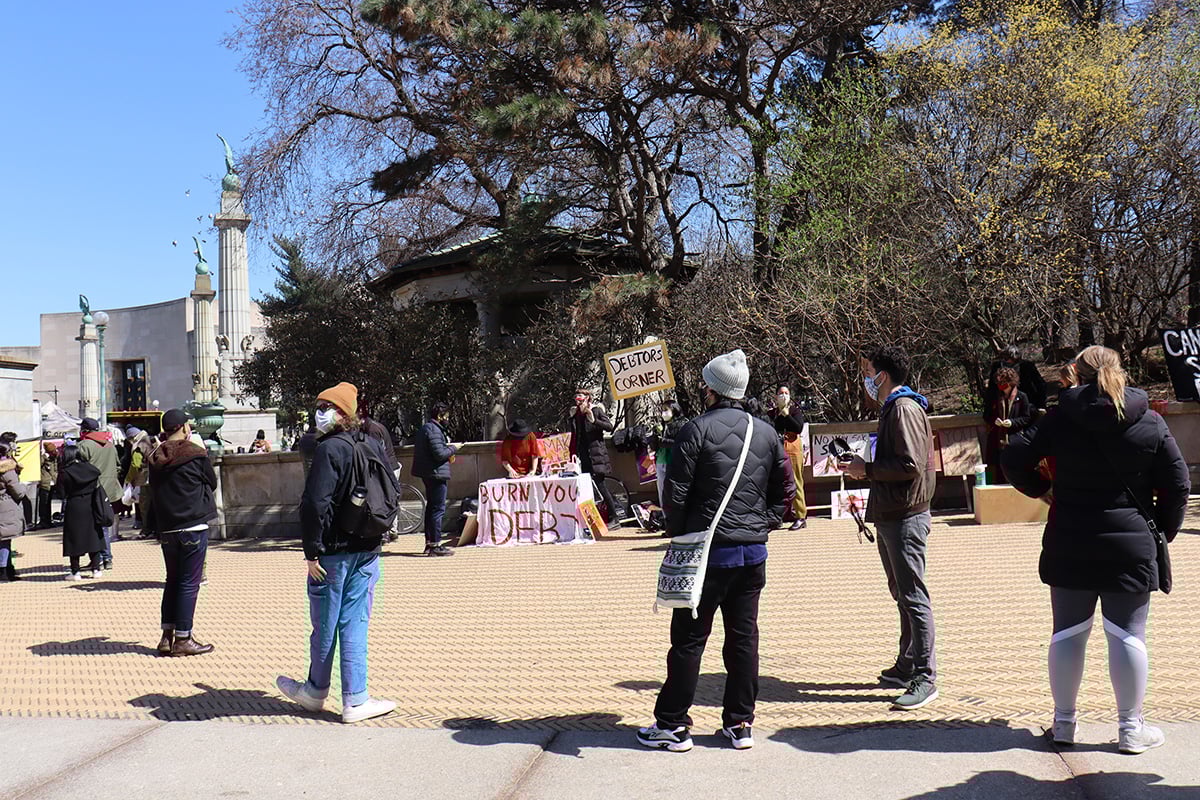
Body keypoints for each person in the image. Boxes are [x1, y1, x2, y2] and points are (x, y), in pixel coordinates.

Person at [1002, 346, 1189, 755]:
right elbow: (1178, 484)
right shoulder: (1150, 420)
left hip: (1070, 538)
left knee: (1068, 632)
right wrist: (1162, 530)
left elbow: (1013, 455)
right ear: (1120, 371)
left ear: (1078, 373)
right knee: (1127, 633)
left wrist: (1041, 488)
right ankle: (1130, 729)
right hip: (1130, 544)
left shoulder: (1059, 419)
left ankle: (1064, 723)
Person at [638, 349, 789, 753]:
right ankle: (740, 723)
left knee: (689, 641)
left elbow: (675, 496)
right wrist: (761, 525)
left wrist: (681, 536)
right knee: (744, 639)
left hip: (707, 555)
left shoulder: (695, 430)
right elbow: (785, 493)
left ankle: (672, 724)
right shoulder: (766, 432)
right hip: (751, 555)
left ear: (711, 390)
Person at [276, 380, 397, 723]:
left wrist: (311, 551)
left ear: (343, 413)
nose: (320, 412)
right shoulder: (371, 443)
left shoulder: (329, 449)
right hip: (367, 546)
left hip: (332, 550)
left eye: (327, 407)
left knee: (326, 624)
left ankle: (315, 690)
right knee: (355, 623)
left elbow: (315, 504)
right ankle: (356, 699)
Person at [839, 345, 938, 711]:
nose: (866, 379)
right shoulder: (895, 408)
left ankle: (925, 676)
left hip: (906, 516)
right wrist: (865, 469)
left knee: (913, 595)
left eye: (869, 372)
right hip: (893, 513)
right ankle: (907, 664)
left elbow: (909, 464)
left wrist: (866, 470)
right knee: (902, 593)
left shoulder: (903, 409)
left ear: (882, 375)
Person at [143, 409, 218, 656]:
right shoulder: (195, 454)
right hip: (193, 525)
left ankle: (167, 637)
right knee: (188, 583)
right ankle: (183, 638)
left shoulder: (155, 456)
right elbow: (212, 482)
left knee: (173, 580)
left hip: (167, 527)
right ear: (185, 427)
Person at [567, 388, 619, 525]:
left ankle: (614, 517)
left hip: (597, 455)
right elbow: (575, 435)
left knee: (601, 485)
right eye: (576, 397)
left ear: (587, 398)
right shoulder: (576, 414)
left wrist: (594, 420)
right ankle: (592, 520)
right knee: (587, 487)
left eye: (581, 397)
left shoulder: (596, 410)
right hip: (584, 455)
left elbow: (609, 427)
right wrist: (571, 418)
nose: (578, 400)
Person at [412, 402, 456, 556]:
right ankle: (435, 545)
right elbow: (439, 454)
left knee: (431, 508)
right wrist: (454, 449)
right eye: (446, 416)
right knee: (437, 510)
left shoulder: (426, 428)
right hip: (436, 474)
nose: (447, 419)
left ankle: (430, 544)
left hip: (429, 473)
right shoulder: (434, 430)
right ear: (440, 416)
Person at [57, 443, 106, 580]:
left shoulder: (65, 472)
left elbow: (61, 493)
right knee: (93, 536)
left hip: (74, 506)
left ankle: (75, 572)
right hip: (92, 504)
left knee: (73, 538)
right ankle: (96, 569)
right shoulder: (91, 469)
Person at [78, 417, 121, 570]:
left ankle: (101, 558)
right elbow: (118, 466)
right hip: (109, 490)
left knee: (93, 527)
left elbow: (79, 469)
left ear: (84, 430)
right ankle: (106, 558)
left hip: (91, 490)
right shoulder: (110, 445)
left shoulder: (83, 445)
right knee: (104, 525)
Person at [985, 366, 1033, 485]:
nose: (1001, 386)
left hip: (1014, 439)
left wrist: (1012, 422)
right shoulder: (995, 397)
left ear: (1011, 383)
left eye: (1004, 383)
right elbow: (987, 415)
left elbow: (1026, 418)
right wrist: (994, 421)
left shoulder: (1022, 397)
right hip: (996, 440)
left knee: (1013, 470)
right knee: (993, 468)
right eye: (999, 383)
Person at [769, 383, 808, 530]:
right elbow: (771, 427)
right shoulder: (772, 413)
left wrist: (787, 415)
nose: (783, 396)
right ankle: (778, 516)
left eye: (786, 393)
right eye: (781, 393)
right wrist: (779, 415)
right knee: (777, 483)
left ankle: (800, 516)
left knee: (796, 481)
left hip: (792, 448)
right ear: (776, 396)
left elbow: (798, 428)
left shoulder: (795, 411)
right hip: (777, 448)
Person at [0, 441, 34, 581]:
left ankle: (8, 569)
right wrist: (24, 486)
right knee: (4, 540)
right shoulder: (7, 470)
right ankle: (4, 571)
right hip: (5, 507)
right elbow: (18, 492)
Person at [985, 344, 1048, 413]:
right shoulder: (997, 367)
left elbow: (1040, 385)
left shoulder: (1027, 366)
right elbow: (992, 387)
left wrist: (1041, 404)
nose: (1007, 363)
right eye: (1005, 359)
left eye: (1010, 359)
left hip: (1027, 401)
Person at [652, 400, 687, 507]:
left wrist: (663, 441)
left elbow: (682, 443)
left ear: (674, 410)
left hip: (673, 461)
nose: (663, 413)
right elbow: (656, 444)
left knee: (673, 492)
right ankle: (664, 513)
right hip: (661, 460)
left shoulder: (683, 424)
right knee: (662, 491)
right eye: (662, 410)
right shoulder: (662, 425)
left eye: (666, 410)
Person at [36, 442, 58, 530]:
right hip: (45, 483)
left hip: (52, 482)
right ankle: (43, 520)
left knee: (48, 503)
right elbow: (38, 465)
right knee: (43, 503)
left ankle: (48, 520)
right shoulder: (43, 457)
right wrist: (44, 457)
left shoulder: (54, 458)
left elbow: (55, 468)